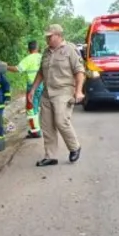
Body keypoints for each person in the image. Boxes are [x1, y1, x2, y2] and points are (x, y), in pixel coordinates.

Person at [28, 24, 85, 166]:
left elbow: (79, 72)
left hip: (64, 91)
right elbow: (41, 72)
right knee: (47, 125)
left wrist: (78, 91)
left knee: (61, 121)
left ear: (59, 35)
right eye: (46, 36)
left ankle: (74, 147)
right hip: (47, 92)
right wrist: (33, 89)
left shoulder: (70, 50)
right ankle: (50, 156)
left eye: (50, 36)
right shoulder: (46, 52)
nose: (47, 39)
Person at [8, 40, 44, 139]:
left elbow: (17, 69)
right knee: (40, 107)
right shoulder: (43, 57)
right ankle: (40, 128)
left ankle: (35, 131)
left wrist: (6, 67)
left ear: (28, 49)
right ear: (38, 48)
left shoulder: (29, 58)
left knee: (31, 109)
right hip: (44, 85)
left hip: (33, 87)